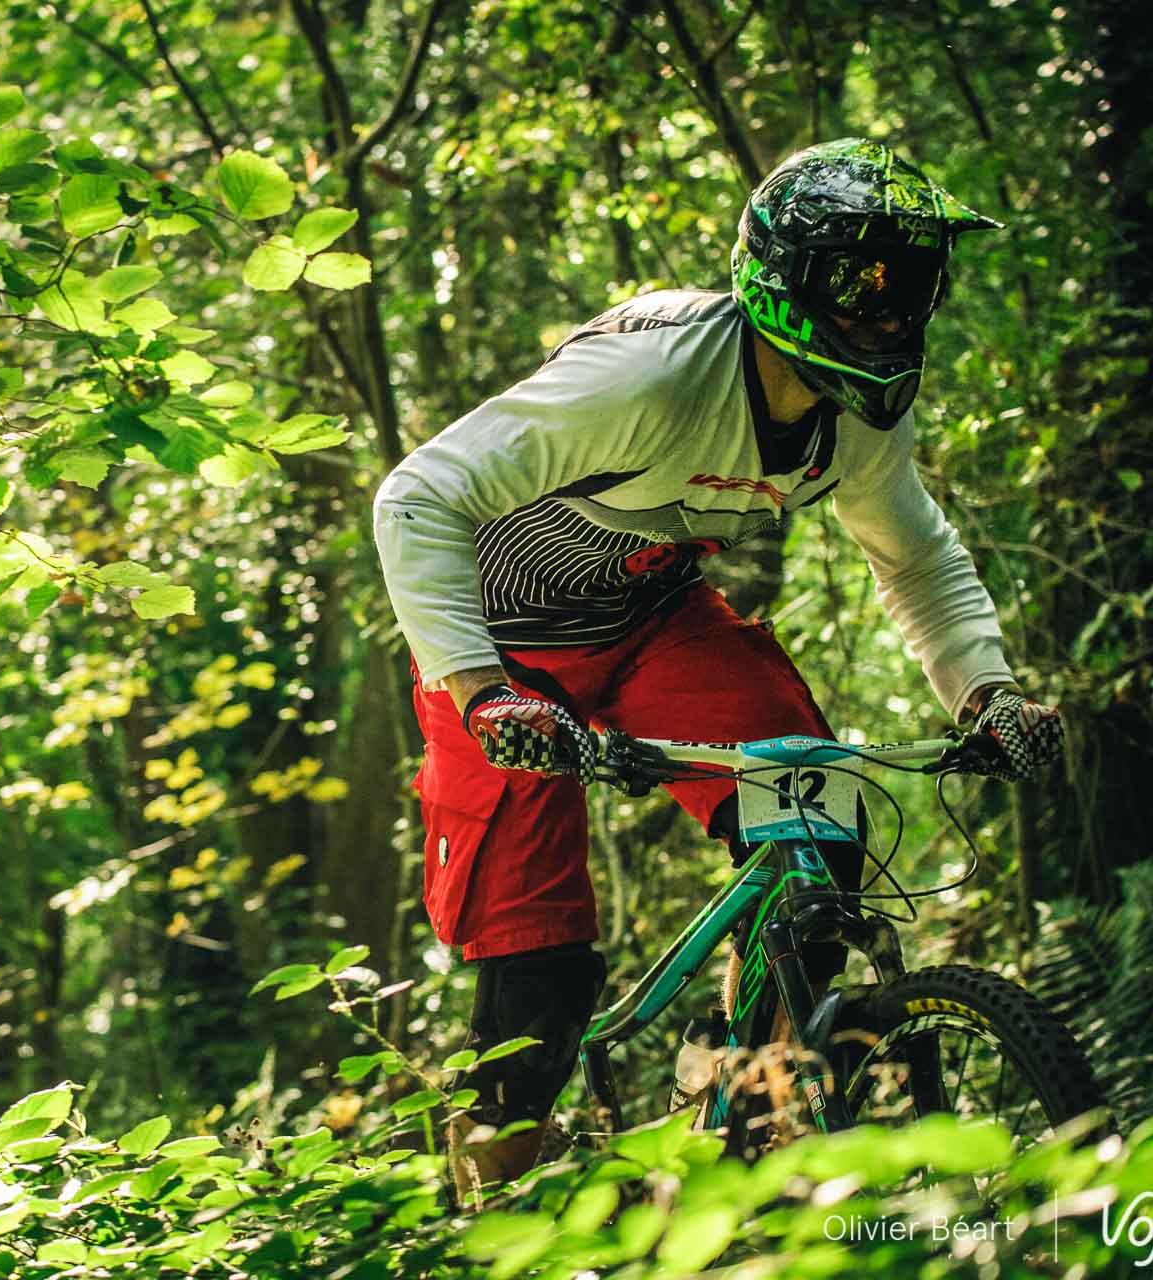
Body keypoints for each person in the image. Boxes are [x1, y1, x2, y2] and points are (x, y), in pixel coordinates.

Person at [369, 138, 1066, 1197]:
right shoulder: (647, 376)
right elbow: (414, 497)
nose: (888, 312)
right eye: (859, 280)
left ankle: (748, 1127)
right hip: (497, 650)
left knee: (819, 822)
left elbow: (914, 554)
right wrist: (478, 688)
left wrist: (986, 691)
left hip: (651, 620)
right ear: (784, 276)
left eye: (912, 283)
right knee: (536, 966)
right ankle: (487, 1207)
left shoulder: (858, 421)